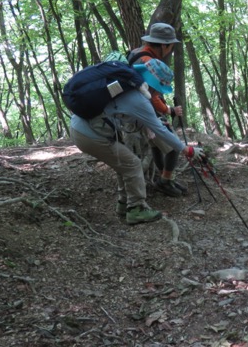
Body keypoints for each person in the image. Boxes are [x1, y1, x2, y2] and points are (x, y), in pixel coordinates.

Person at [69, 58, 202, 225]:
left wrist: (155, 123)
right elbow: (160, 131)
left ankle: (124, 204)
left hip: (82, 128)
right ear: (153, 84)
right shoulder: (139, 99)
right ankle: (136, 209)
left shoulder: (128, 88)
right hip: (90, 135)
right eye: (159, 88)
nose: (158, 93)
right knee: (132, 164)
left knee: (123, 164)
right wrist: (186, 149)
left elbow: (131, 118)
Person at [128, 22, 186, 198]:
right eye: (170, 46)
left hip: (133, 112)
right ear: (163, 45)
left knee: (156, 145)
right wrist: (169, 110)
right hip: (145, 112)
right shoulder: (148, 62)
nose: (170, 50)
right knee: (174, 145)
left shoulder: (136, 53)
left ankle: (165, 178)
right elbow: (152, 97)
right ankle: (165, 181)